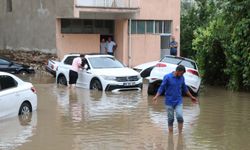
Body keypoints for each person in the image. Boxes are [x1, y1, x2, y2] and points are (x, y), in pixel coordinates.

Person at [152, 65, 198, 133]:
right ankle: (170, 135)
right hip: (169, 101)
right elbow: (161, 87)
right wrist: (156, 96)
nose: (182, 75)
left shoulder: (182, 78)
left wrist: (191, 97)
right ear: (177, 71)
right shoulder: (167, 77)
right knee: (171, 119)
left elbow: (185, 88)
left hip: (178, 101)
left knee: (180, 117)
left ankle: (180, 134)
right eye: (181, 73)